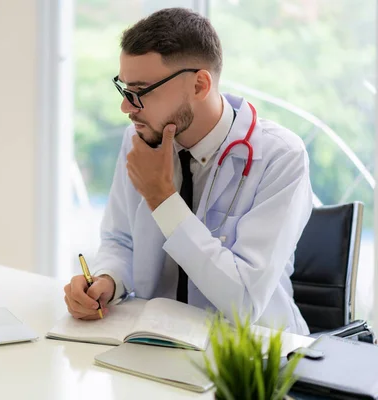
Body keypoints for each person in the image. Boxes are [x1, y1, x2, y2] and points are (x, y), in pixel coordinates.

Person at [63, 7, 313, 335]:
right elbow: (120, 239)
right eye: (124, 89)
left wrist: (162, 198)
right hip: (157, 341)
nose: (126, 107)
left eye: (140, 91)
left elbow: (244, 302)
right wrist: (107, 279)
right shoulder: (140, 136)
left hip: (251, 359)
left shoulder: (281, 157)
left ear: (199, 85)